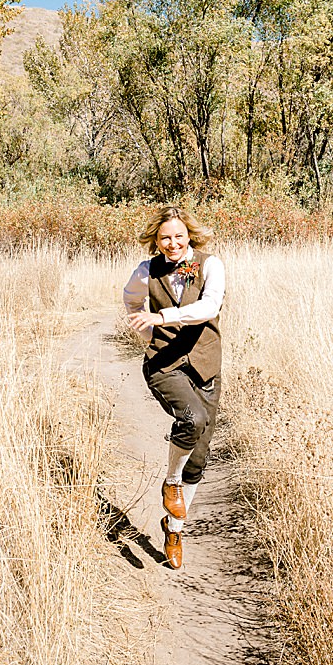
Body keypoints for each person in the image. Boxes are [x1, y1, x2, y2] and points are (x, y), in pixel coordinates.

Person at [123, 205, 225, 569]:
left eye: (178, 236)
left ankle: (174, 527)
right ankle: (170, 483)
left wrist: (162, 315)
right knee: (192, 419)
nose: (172, 243)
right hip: (164, 365)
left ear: (189, 236)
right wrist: (150, 331)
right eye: (165, 237)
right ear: (156, 240)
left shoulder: (210, 265)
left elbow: (208, 307)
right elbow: (131, 299)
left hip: (204, 366)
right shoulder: (146, 270)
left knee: (198, 458)